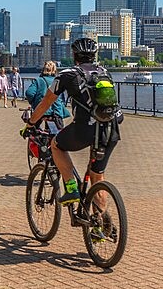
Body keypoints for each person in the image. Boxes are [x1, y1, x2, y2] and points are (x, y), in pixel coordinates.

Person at [25, 38, 120, 208]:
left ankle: (71, 188)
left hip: (84, 130)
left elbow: (46, 102)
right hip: (110, 130)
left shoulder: (68, 74)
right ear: (94, 55)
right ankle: (101, 224)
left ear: (74, 55)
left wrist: (31, 123)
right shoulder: (105, 72)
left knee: (56, 145)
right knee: (97, 176)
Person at [24, 60, 70, 133]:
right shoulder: (58, 81)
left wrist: (33, 103)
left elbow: (29, 93)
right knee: (58, 136)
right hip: (56, 111)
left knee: (33, 132)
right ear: (55, 70)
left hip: (40, 111)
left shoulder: (38, 80)